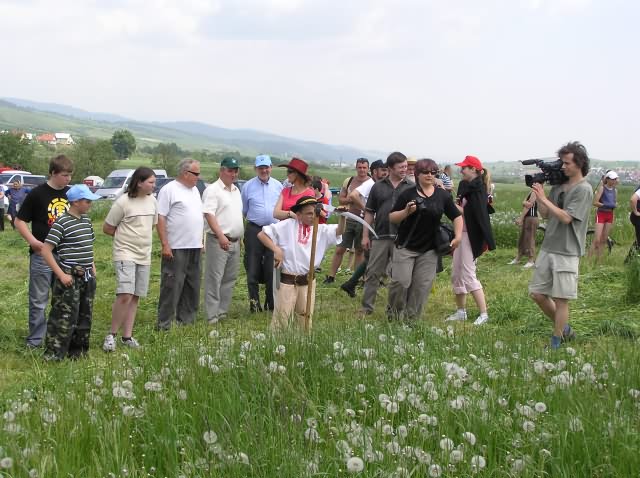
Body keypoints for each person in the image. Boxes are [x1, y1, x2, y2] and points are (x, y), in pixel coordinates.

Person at [529, 141, 593, 350]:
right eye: (562, 163)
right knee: (537, 294)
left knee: (560, 299)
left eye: (567, 163)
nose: (563, 167)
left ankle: (556, 342)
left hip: (567, 250)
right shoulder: (558, 187)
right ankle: (564, 329)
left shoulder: (584, 189)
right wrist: (539, 197)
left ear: (579, 164)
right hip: (549, 246)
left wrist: (545, 199)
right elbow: (547, 214)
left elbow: (567, 218)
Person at [388, 159, 463, 320]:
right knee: (401, 282)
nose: (430, 175)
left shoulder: (442, 195)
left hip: (430, 249)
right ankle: (393, 314)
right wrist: (406, 212)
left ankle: (411, 320)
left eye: (433, 172)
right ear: (417, 174)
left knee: (421, 286)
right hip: (406, 246)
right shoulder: (408, 193)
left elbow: (456, 216)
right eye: (426, 172)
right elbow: (392, 217)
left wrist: (458, 236)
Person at [258, 196, 346, 330]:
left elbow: (339, 231)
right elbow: (262, 235)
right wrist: (276, 250)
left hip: (307, 281)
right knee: (281, 318)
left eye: (315, 213)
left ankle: (303, 341)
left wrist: (343, 217)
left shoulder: (320, 230)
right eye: (309, 213)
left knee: (305, 318)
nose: (313, 216)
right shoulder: (287, 225)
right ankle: (277, 341)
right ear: (298, 214)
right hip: (287, 281)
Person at [15, 155, 73, 348]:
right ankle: (36, 340)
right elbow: (19, 221)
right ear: (53, 173)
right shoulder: (37, 194)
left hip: (65, 253)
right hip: (42, 254)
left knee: (63, 297)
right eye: (64, 175)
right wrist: (32, 241)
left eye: (70, 175)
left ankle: (58, 336)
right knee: (38, 299)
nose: (68, 179)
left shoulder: (71, 194)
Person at [39, 184, 100, 360]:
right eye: (87, 201)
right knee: (64, 315)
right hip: (69, 276)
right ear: (75, 202)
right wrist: (61, 274)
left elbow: (88, 245)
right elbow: (46, 250)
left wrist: (92, 266)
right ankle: (54, 354)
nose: (90, 204)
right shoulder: (62, 222)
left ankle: (78, 352)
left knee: (85, 314)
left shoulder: (86, 221)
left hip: (87, 275)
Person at [102, 167, 158, 351]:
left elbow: (151, 226)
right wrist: (125, 238)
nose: (154, 185)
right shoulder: (123, 202)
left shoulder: (153, 201)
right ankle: (111, 335)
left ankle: (127, 336)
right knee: (125, 294)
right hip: (125, 253)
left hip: (144, 254)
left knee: (135, 296)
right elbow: (107, 228)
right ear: (139, 183)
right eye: (151, 182)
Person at [356, 153, 412, 313]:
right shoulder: (378, 186)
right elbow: (369, 212)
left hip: (402, 238)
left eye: (406, 166)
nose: (405, 169)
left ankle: (394, 309)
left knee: (399, 276)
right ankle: (366, 308)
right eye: (401, 167)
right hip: (380, 235)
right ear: (390, 168)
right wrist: (365, 235)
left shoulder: (411, 187)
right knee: (373, 272)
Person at [446, 155, 495, 325]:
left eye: (464, 168)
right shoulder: (468, 187)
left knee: (468, 274)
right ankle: (461, 312)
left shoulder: (478, 189)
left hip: (471, 237)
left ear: (473, 169)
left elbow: (471, 213)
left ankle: (484, 314)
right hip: (462, 234)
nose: (461, 171)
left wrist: (447, 202)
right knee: (457, 273)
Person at [156, 158, 204, 330]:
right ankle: (164, 324)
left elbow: (198, 217)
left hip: (195, 245)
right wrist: (165, 244)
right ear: (185, 173)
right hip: (176, 246)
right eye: (196, 174)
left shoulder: (195, 191)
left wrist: (201, 241)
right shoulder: (169, 190)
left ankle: (186, 320)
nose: (198, 177)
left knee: (192, 285)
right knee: (172, 286)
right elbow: (161, 217)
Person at [202, 157, 244, 324]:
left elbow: (236, 215)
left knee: (229, 278)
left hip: (235, 240)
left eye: (235, 171)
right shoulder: (213, 190)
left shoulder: (236, 190)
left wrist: (240, 237)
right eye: (230, 170)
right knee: (214, 278)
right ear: (221, 171)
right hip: (218, 240)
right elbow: (209, 214)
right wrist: (220, 236)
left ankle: (222, 312)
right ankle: (212, 315)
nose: (233, 174)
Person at [339, 159, 389, 297]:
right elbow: (353, 195)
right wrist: (367, 210)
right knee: (373, 255)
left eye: (387, 170)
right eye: (383, 170)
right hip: (370, 224)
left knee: (373, 256)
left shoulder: (379, 184)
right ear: (375, 171)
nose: (386, 173)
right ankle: (359, 282)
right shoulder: (371, 183)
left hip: (375, 223)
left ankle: (353, 282)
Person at [241, 155, 283, 313]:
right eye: (260, 168)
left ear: (271, 167)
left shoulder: (278, 186)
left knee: (271, 267)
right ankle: (254, 303)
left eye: (266, 167)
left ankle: (271, 303)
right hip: (254, 229)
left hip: (273, 230)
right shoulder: (248, 186)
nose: (264, 170)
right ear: (255, 169)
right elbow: (244, 210)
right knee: (252, 266)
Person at [324, 158, 370, 284]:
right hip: (348, 218)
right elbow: (341, 199)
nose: (362, 170)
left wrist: (353, 199)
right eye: (359, 167)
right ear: (356, 168)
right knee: (340, 248)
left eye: (364, 167)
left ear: (368, 169)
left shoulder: (371, 183)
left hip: (363, 220)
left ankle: (355, 280)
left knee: (359, 251)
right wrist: (353, 199)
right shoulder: (349, 181)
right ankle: (331, 276)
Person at [589, 170, 618, 259]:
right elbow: (595, 202)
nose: (614, 181)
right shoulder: (602, 188)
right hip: (601, 214)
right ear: (607, 179)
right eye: (612, 179)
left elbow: (614, 204)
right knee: (597, 239)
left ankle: (599, 260)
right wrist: (606, 205)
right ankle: (588, 260)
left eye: (615, 179)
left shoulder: (615, 191)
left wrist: (614, 208)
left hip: (610, 215)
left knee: (604, 239)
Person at [509, 190, 538, 268]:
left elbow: (528, 205)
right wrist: (525, 203)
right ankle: (518, 258)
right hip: (527, 217)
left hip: (532, 218)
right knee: (522, 238)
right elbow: (524, 202)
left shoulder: (535, 191)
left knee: (530, 239)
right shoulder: (531, 191)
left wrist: (521, 218)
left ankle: (531, 260)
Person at [628, 184, 640, 261]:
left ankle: (629, 261)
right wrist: (636, 212)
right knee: (639, 241)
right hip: (638, 218)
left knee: (639, 240)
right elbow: (633, 199)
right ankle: (629, 261)